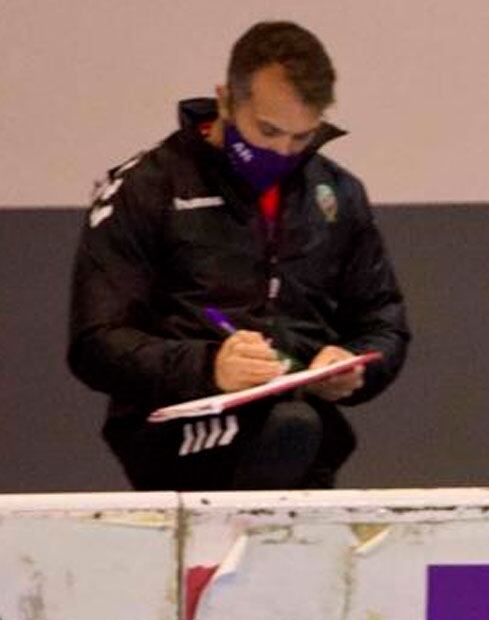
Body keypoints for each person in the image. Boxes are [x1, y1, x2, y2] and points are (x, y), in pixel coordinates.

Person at [68, 21, 409, 491]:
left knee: (297, 427)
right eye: (267, 130)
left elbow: (384, 323)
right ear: (225, 99)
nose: (282, 151)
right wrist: (209, 367)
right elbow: (96, 341)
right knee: (288, 427)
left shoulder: (338, 193)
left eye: (301, 137)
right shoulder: (146, 187)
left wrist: (352, 366)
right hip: (175, 434)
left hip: (306, 438)